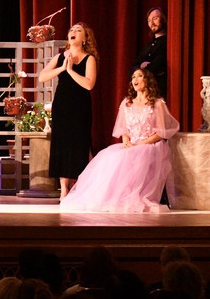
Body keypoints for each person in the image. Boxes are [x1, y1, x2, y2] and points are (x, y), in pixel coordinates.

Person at [60, 68, 179, 212]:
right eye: (133, 76)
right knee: (110, 157)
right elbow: (123, 130)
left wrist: (140, 144)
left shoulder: (157, 104)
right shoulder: (127, 103)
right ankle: (111, 197)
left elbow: (161, 133)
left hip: (150, 145)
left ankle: (135, 196)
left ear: (147, 80)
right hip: (131, 144)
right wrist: (126, 141)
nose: (135, 79)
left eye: (139, 76)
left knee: (138, 156)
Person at [39, 21, 98, 199]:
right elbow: (42, 77)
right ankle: (64, 188)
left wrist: (70, 70)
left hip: (80, 108)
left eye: (78, 30)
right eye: (71, 29)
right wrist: (62, 68)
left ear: (85, 38)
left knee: (78, 145)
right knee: (62, 145)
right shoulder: (60, 57)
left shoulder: (89, 58)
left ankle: (78, 186)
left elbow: (89, 84)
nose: (73, 32)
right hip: (62, 106)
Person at [134, 6, 167, 90]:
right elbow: (133, 66)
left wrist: (143, 68)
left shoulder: (167, 43)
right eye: (149, 20)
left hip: (159, 89)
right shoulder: (148, 46)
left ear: (163, 19)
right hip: (145, 91)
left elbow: (157, 65)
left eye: (155, 18)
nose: (151, 23)